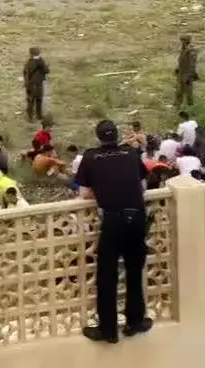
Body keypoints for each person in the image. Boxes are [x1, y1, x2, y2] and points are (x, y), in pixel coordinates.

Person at [76, 119, 152, 344]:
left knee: (107, 276)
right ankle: (134, 322)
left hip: (113, 220)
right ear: (117, 135)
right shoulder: (131, 153)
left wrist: (103, 189)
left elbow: (84, 194)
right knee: (134, 271)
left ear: (98, 137)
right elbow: (141, 180)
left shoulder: (90, 157)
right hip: (137, 217)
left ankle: (108, 330)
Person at [23, 47, 49, 122]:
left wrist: (26, 84)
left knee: (34, 100)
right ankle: (34, 117)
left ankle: (35, 116)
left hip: (35, 84)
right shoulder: (37, 62)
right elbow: (46, 71)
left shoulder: (31, 62)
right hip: (35, 84)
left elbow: (46, 71)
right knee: (35, 101)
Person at [175, 35, 198, 107]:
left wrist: (189, 75)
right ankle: (177, 105)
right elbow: (181, 60)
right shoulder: (183, 49)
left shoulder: (191, 50)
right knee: (179, 90)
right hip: (181, 72)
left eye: (183, 40)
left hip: (187, 74)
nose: (182, 42)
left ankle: (190, 106)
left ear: (187, 41)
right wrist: (177, 68)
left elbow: (192, 64)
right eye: (181, 40)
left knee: (188, 92)